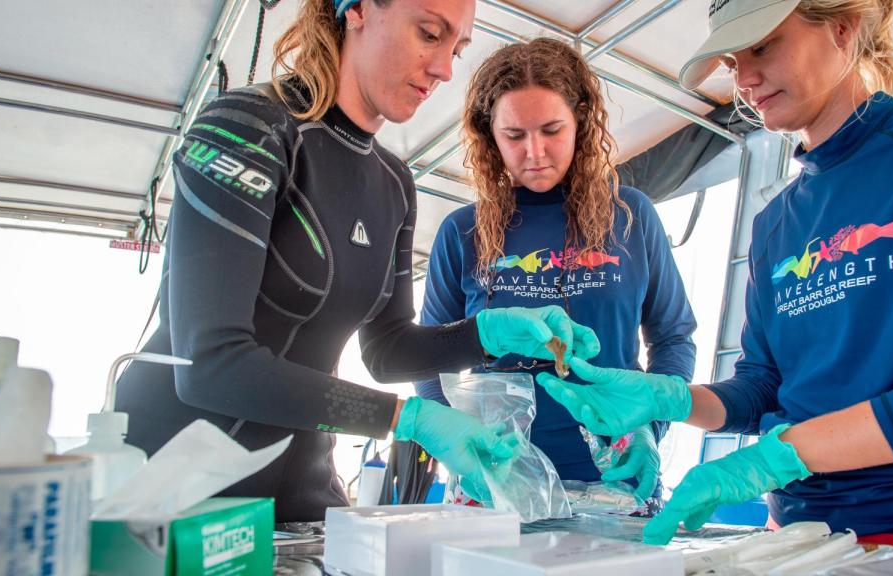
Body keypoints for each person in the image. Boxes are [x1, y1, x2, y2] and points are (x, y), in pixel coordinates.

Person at [115, 0, 597, 522]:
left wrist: (489, 333)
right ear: (359, 9)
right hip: (173, 491)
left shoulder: (394, 183)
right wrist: (405, 418)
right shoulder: (249, 128)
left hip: (304, 494)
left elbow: (386, 351)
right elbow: (209, 365)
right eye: (428, 34)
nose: (444, 69)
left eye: (456, 49)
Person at [538, 0, 893, 548]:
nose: (744, 80)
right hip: (791, 532)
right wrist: (671, 400)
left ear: (842, 28)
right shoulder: (774, 222)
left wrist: (778, 457)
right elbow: (763, 388)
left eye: (762, 47)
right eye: (733, 62)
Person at [415, 37, 696, 503]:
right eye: (514, 135)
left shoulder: (631, 216)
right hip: (496, 483)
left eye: (551, 130)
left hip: (613, 481)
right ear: (489, 134)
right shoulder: (461, 232)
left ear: (581, 119)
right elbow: (426, 359)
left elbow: (673, 339)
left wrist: (651, 426)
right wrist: (457, 444)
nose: (535, 152)